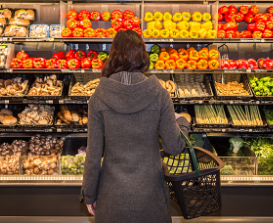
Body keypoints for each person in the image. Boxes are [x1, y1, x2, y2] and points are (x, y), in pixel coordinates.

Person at [80, 30, 190, 223]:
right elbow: (174, 146)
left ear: (113, 55)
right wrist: (182, 122)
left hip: (111, 199)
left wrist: (89, 194)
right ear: (142, 55)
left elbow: (93, 153)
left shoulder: (98, 96)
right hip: (151, 200)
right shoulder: (160, 94)